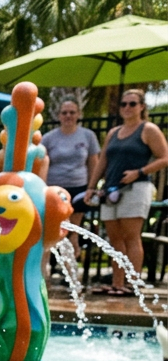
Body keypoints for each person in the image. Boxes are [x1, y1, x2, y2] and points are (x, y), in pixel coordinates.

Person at [86, 89, 168, 296]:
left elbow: (164, 158)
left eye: (132, 104)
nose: (127, 108)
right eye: (123, 104)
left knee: (131, 236)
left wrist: (138, 172)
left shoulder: (148, 129)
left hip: (136, 187)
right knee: (114, 239)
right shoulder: (114, 133)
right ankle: (117, 283)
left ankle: (133, 284)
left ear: (141, 106)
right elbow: (103, 161)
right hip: (111, 190)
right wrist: (91, 187)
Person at [42, 100, 100, 256]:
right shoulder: (48, 138)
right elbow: (42, 163)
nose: (68, 116)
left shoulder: (88, 136)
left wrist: (91, 187)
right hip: (55, 190)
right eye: (65, 113)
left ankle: (70, 269)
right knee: (53, 229)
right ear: (59, 115)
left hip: (79, 187)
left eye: (72, 112)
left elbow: (93, 162)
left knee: (73, 231)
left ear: (78, 114)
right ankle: (49, 269)